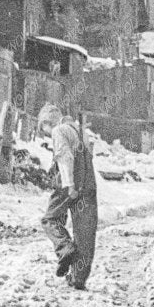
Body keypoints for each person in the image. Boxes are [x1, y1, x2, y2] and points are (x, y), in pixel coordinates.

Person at [37, 102, 97, 290]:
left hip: (69, 183)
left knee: (50, 219)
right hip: (88, 184)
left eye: (43, 128)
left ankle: (65, 249)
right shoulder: (80, 131)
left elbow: (65, 156)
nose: (46, 133)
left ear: (47, 122)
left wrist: (69, 185)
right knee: (85, 232)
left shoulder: (59, 130)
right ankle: (78, 278)